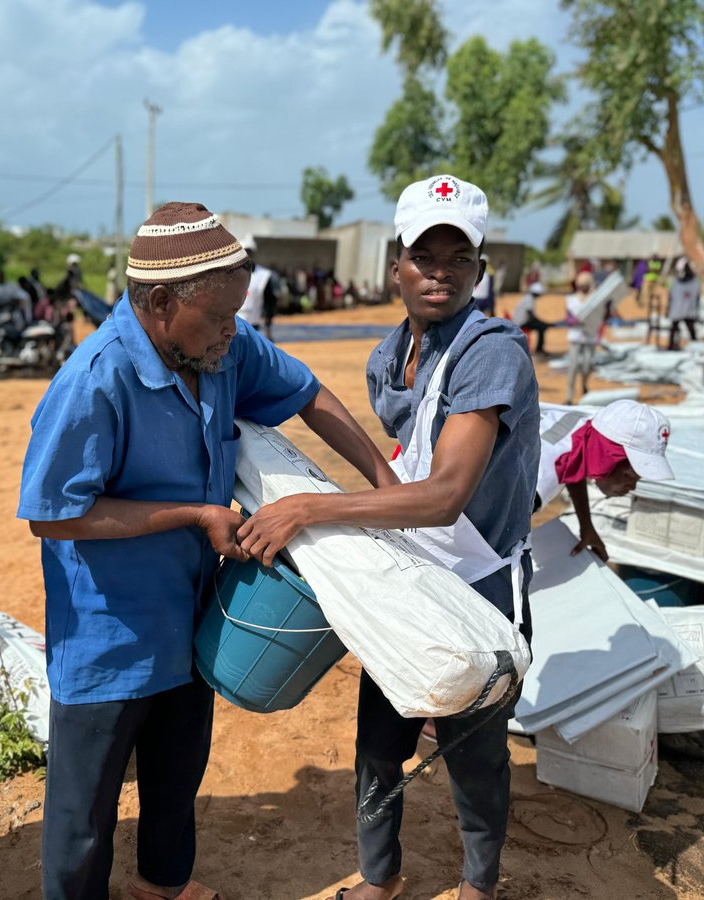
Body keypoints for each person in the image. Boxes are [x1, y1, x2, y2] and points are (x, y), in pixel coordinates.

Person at [18, 202, 397, 900]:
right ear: (161, 304)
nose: (233, 330)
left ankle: (161, 885)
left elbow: (307, 393)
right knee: (84, 809)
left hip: (191, 614)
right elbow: (53, 516)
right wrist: (195, 514)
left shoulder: (221, 350)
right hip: (110, 634)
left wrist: (385, 481)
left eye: (236, 314)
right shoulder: (95, 380)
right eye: (220, 316)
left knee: (177, 770)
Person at [237, 174, 540, 900]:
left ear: (479, 268)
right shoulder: (389, 357)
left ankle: (478, 886)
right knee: (379, 742)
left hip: (478, 576)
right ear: (396, 265)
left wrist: (311, 508)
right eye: (423, 257)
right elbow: (409, 461)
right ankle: (381, 877)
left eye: (458, 259)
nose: (440, 273)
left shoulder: (492, 352)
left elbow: (444, 494)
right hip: (411, 569)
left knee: (473, 752)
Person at [535, 400, 675, 562]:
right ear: (606, 456)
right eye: (628, 476)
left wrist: (586, 525)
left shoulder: (594, 425)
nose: (632, 487)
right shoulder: (537, 482)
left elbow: (574, 465)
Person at [564, 271, 603, 404]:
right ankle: (569, 397)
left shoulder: (595, 300)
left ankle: (584, 385)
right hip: (575, 337)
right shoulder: (571, 300)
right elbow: (568, 318)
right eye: (582, 284)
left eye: (586, 284)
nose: (584, 286)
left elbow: (602, 316)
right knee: (573, 366)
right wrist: (576, 321)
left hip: (590, 337)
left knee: (588, 364)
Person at [238, 234, 278, 338]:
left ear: (253, 253)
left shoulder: (263, 276)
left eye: (249, 252)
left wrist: (268, 326)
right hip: (234, 326)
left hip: (254, 325)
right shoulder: (232, 275)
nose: (247, 255)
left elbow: (269, 302)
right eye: (244, 252)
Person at [667, 258, 700, 350]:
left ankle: (696, 346)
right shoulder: (678, 282)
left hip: (685, 308)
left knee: (688, 328)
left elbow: (696, 295)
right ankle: (671, 345)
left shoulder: (694, 281)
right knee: (676, 327)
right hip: (682, 308)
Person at [511, 281, 551, 355]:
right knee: (541, 327)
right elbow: (531, 317)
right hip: (521, 322)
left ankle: (539, 349)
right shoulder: (529, 299)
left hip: (521, 321)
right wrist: (543, 323)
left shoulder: (528, 298)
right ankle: (539, 350)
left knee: (541, 326)